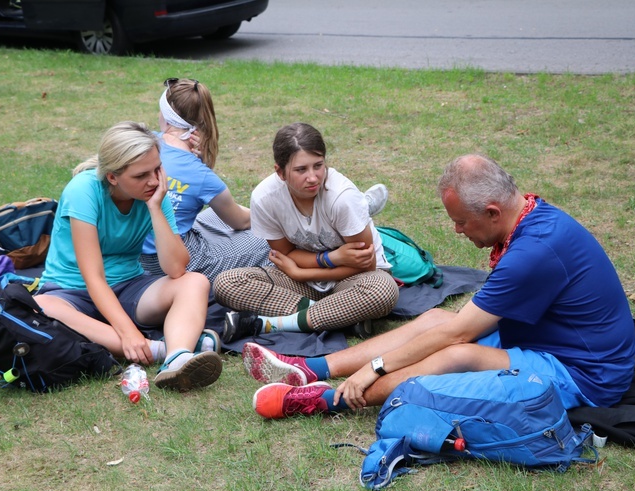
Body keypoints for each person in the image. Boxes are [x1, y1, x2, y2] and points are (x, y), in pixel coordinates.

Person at [243, 153, 635, 418]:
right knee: (434, 319)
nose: (457, 230)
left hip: (582, 374)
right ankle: (311, 368)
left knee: (456, 355)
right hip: (546, 341)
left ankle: (328, 400)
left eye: (462, 222)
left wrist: (373, 369)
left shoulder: (533, 253)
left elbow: (458, 336)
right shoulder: (531, 216)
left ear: (493, 211)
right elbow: (450, 327)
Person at [139, 78, 389, 284]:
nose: (312, 176)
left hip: (143, 248)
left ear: (164, 114)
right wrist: (271, 213)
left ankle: (357, 206)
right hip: (176, 257)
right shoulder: (201, 175)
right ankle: (359, 208)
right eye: (302, 169)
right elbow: (240, 220)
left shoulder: (144, 143)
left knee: (215, 218)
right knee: (266, 239)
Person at [34, 121, 222, 392]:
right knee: (42, 306)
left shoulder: (154, 193)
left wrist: (156, 208)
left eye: (157, 169)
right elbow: (93, 277)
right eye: (141, 175)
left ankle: (178, 359)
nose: (154, 180)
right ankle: (163, 349)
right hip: (71, 292)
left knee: (195, 282)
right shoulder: (82, 191)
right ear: (112, 176)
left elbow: (177, 268)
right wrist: (129, 333)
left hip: (128, 286)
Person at [212, 122, 400, 343]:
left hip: (354, 279)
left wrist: (303, 273)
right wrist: (331, 258)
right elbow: (285, 255)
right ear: (280, 172)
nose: (312, 177)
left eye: (318, 165)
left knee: (382, 290)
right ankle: (338, 315)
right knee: (227, 283)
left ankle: (266, 324)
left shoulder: (343, 197)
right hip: (301, 283)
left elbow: (365, 265)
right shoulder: (265, 198)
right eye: (301, 170)